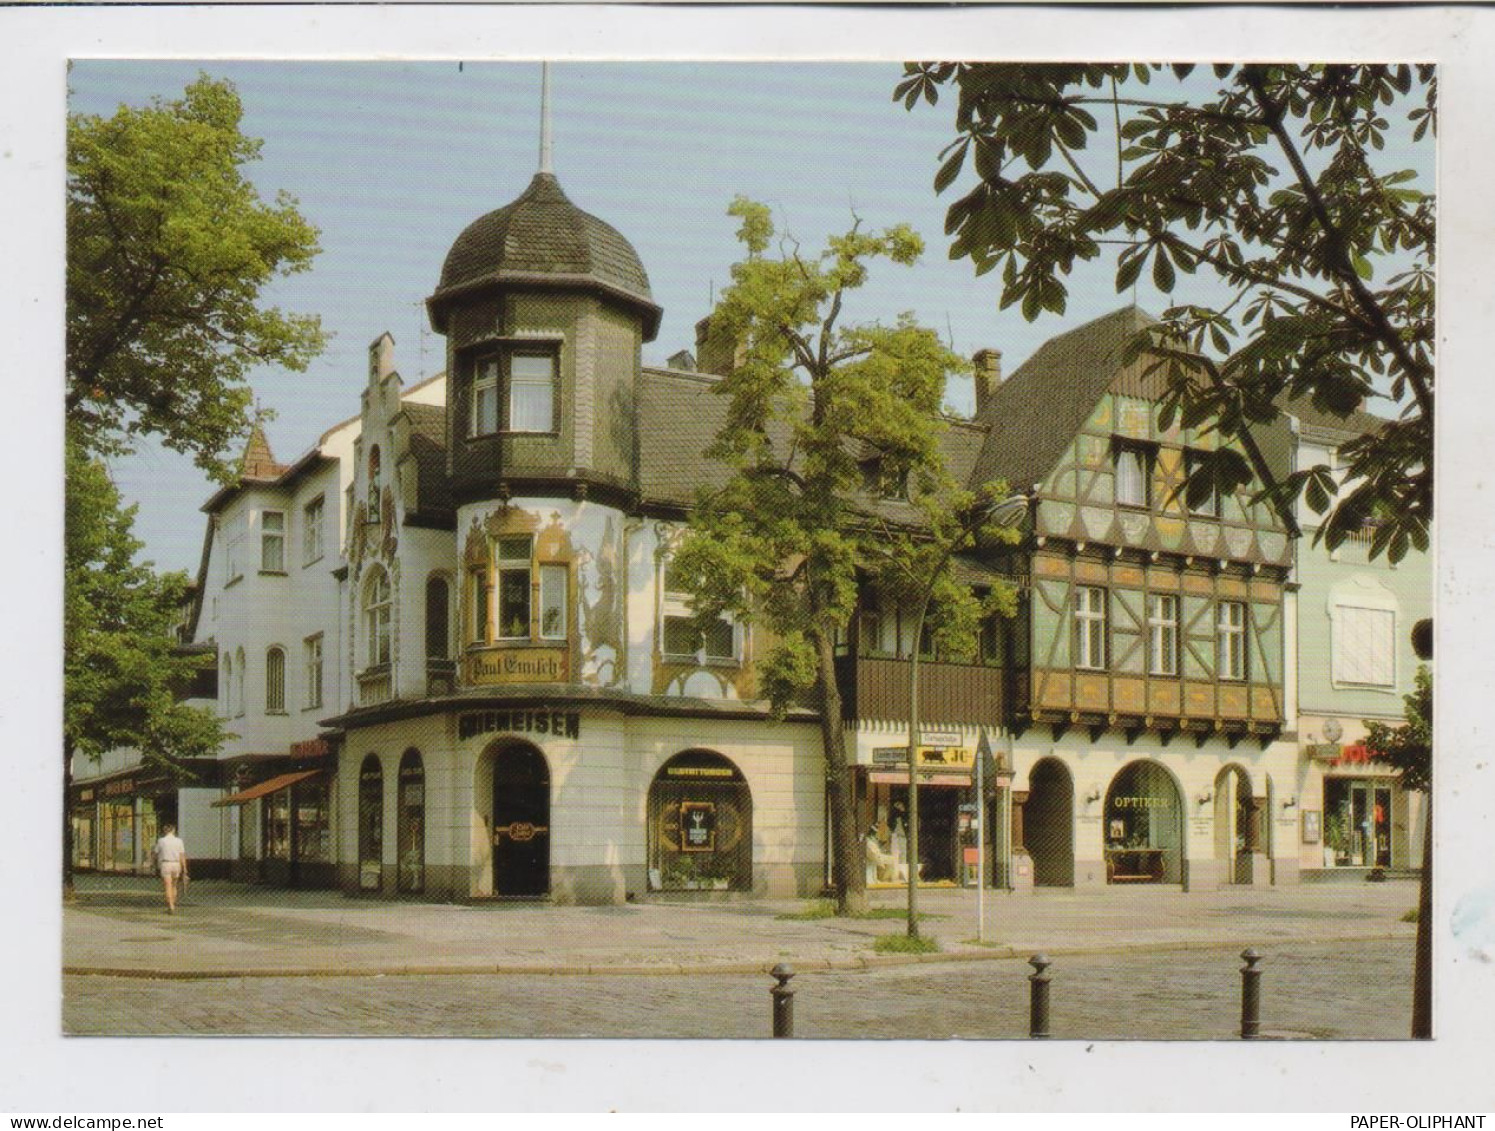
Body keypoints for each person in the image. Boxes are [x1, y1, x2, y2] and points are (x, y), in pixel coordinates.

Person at [152, 823, 189, 914]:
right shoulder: (179, 841)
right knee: (174, 886)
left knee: (167, 886)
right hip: (176, 864)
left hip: (166, 863)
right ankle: (173, 903)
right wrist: (184, 868)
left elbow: (155, 853)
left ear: (165, 831)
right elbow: (182, 855)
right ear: (173, 830)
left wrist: (153, 863)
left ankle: (171, 906)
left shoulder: (161, 841)